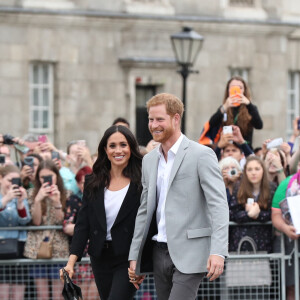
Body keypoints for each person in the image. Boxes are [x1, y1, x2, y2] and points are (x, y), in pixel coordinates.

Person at [128, 93, 229, 300]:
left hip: (191, 252)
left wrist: (218, 251)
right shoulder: (148, 161)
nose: (153, 125)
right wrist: (134, 256)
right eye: (150, 119)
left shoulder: (201, 154)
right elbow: (145, 210)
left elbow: (218, 205)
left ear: (176, 118)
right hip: (158, 252)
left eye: (159, 119)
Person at [61, 125, 143, 300]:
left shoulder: (142, 181)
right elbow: (83, 225)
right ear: (105, 150)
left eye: (123, 144)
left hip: (128, 258)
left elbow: (148, 223)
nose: (118, 150)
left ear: (131, 148)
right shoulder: (93, 181)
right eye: (112, 146)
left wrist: (142, 261)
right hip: (100, 257)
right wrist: (71, 262)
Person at [23, 160, 69, 300]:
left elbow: (62, 221)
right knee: (42, 295)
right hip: (37, 249)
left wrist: (56, 202)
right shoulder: (31, 193)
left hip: (59, 249)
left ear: (57, 176)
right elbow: (36, 222)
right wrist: (38, 200)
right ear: (38, 178)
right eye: (43, 177)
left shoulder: (66, 193)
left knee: (58, 295)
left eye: (50, 176)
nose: (46, 180)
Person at [63, 166, 99, 300]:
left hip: (98, 251)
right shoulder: (74, 200)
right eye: (84, 183)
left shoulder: (99, 197)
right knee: (83, 294)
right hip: (81, 253)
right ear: (78, 184)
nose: (88, 185)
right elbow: (67, 226)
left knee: (98, 292)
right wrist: (89, 229)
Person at [229, 156, 276, 253]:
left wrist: (258, 214)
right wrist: (248, 214)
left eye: (257, 169)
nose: (253, 173)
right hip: (240, 240)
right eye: (249, 169)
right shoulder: (238, 188)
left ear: (263, 170)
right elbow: (232, 214)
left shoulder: (271, 188)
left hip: (263, 240)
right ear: (245, 172)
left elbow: (274, 214)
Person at [0, 165, 31, 300]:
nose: (13, 184)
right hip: (2, 246)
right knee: (4, 293)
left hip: (19, 245)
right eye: (9, 180)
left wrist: (20, 203)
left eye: (16, 181)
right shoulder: (4, 198)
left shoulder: (20, 196)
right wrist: (5, 200)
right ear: (1, 178)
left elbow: (25, 220)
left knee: (18, 293)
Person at [209, 76, 263, 149]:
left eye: (240, 88)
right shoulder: (224, 108)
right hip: (227, 149)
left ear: (244, 90)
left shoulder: (250, 108)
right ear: (228, 90)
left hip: (244, 149)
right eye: (233, 87)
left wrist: (248, 104)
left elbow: (259, 125)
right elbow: (212, 123)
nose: (236, 90)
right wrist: (225, 107)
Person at [271, 167, 300, 300]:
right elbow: (276, 214)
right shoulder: (286, 184)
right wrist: (285, 228)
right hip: (290, 243)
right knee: (291, 286)